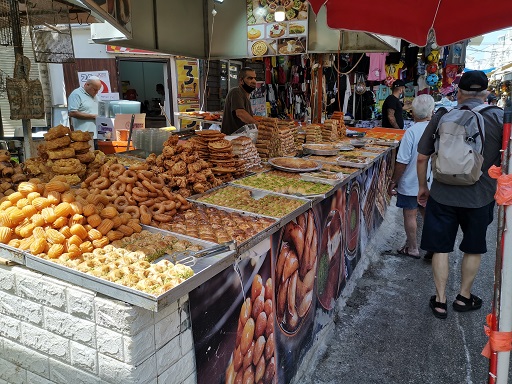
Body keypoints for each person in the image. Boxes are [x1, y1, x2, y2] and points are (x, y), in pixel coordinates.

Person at [417, 70, 504, 319]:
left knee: (441, 248)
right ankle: (464, 297)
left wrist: (423, 187)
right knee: (473, 248)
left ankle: (441, 300)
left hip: (442, 193)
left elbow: (423, 156)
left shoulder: (443, 115)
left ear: (459, 93)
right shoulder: (498, 118)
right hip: (480, 196)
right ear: (486, 93)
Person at [388, 94, 435, 259]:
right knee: (427, 212)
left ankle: (413, 248)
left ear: (413, 113)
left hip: (411, 182)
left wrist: (394, 181)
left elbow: (402, 161)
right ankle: (433, 247)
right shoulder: (437, 130)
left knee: (410, 214)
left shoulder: (411, 132)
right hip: (431, 182)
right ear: (432, 112)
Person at [221, 67, 258, 135]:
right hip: (231, 139)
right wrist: (258, 124)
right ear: (241, 80)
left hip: (242, 139)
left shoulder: (245, 96)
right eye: (250, 78)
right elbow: (240, 113)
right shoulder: (236, 92)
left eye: (255, 78)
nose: (254, 81)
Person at [68, 76, 101, 147]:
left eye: (98, 90)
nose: (96, 92)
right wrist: (93, 116)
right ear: (87, 85)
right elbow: (72, 113)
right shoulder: (76, 94)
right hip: (84, 136)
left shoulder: (95, 96)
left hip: (97, 135)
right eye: (95, 89)